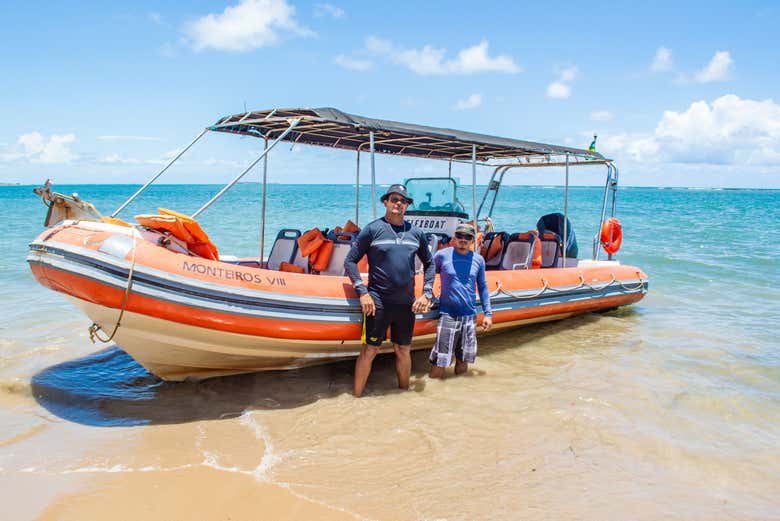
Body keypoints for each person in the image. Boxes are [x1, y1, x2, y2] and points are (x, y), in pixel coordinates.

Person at [344, 184, 435, 397]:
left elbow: (430, 263)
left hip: (406, 304)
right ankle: (356, 398)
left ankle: (404, 396)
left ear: (407, 205)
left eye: (403, 200)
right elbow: (350, 261)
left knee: (403, 350)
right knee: (370, 350)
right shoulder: (373, 229)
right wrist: (362, 292)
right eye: (394, 199)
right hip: (378, 303)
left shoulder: (416, 233)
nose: (398, 203)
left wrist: (427, 293)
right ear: (386, 202)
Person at [429, 223, 492, 378]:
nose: (463, 240)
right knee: (440, 361)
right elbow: (428, 273)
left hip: (469, 316)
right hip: (447, 316)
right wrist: (426, 294)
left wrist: (488, 314)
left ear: (472, 240)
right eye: (460, 236)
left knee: (463, 360)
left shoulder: (479, 260)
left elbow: (483, 287)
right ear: (454, 238)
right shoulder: (442, 255)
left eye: (468, 237)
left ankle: (459, 390)